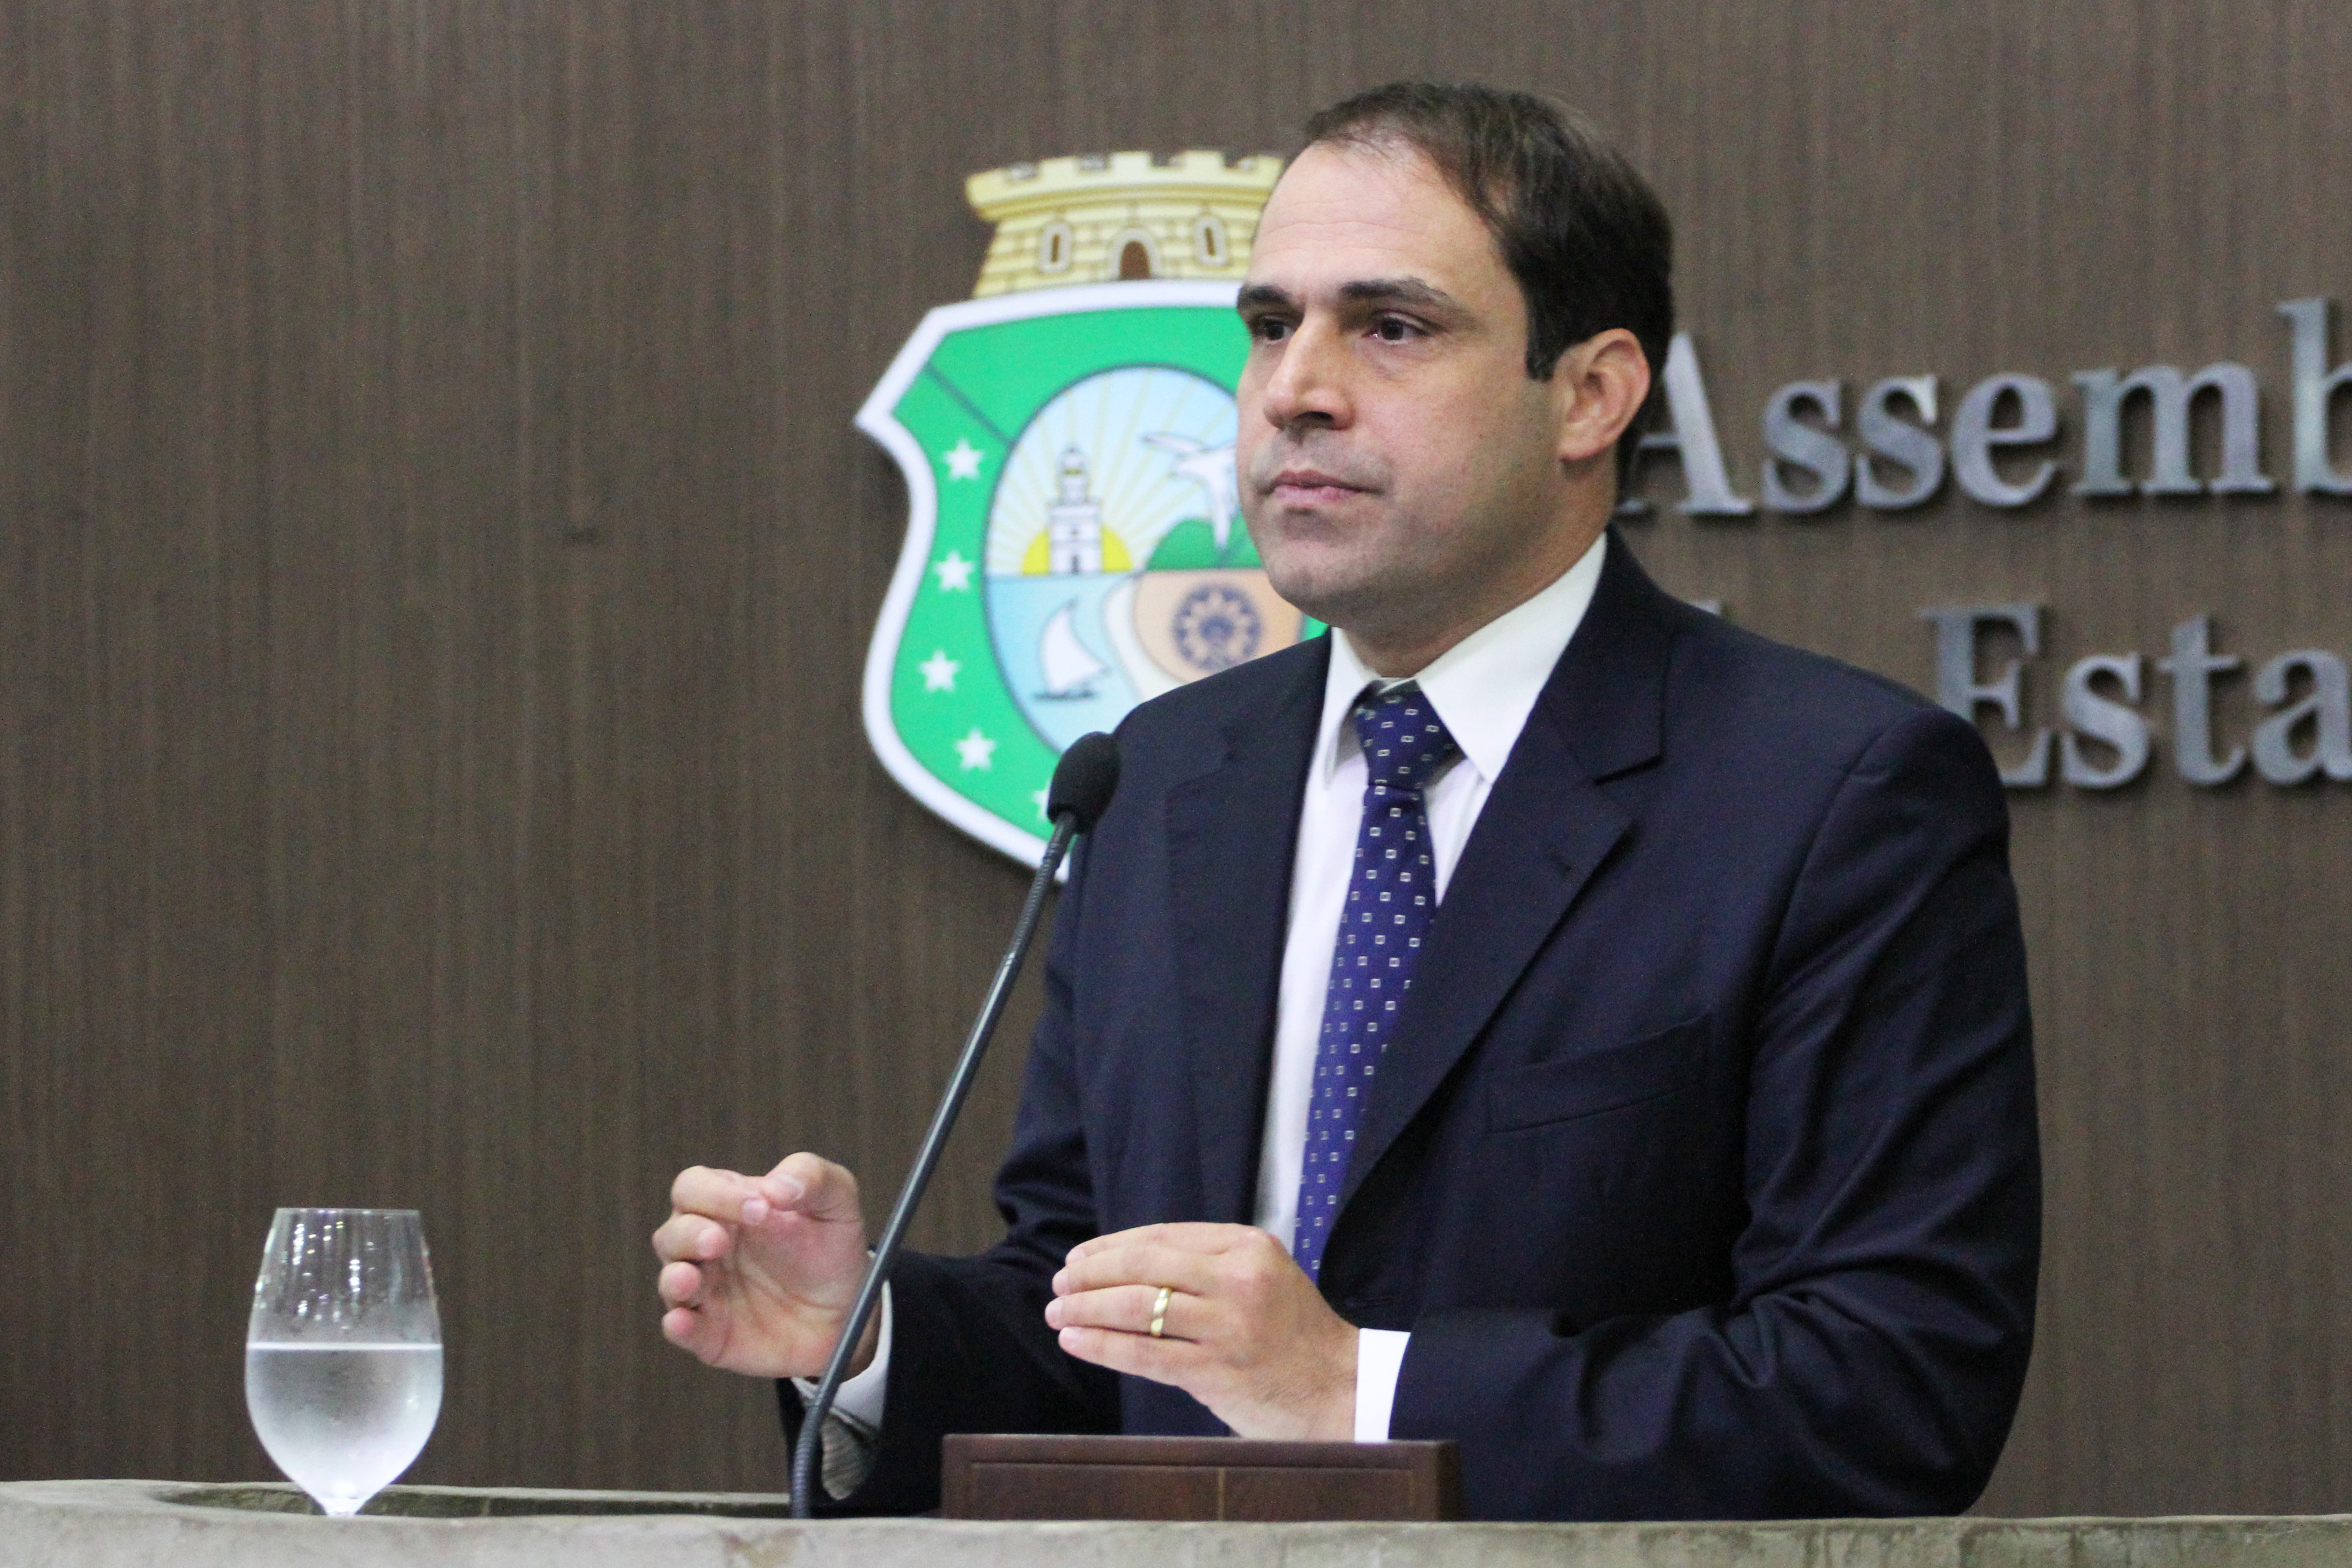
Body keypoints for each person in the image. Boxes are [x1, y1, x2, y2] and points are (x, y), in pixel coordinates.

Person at [653, 81, 2040, 1521]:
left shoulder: (1832, 795)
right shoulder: (1161, 780)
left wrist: (1358, 1392)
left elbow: (1890, 1388)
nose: (1293, 391)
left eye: (1390, 327)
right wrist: (869, 1340)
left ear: (1590, 394)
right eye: (1271, 325)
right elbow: (1100, 1340)